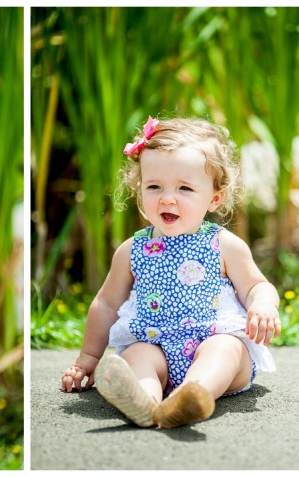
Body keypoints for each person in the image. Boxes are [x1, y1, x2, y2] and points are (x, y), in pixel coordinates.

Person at [59, 116, 280, 428]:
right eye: (154, 186)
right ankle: (146, 402)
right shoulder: (131, 251)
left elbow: (257, 285)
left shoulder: (223, 244)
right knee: (136, 355)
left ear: (214, 198)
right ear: (140, 190)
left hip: (213, 341)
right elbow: (106, 304)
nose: (167, 197)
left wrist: (262, 305)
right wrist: (88, 360)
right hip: (157, 345)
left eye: (185, 188)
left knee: (226, 349)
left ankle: (194, 394)